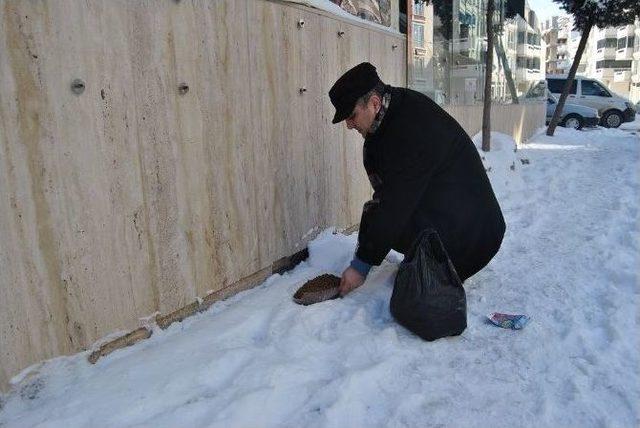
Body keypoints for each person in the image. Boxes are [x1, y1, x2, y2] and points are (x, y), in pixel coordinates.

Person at [328, 62, 506, 296]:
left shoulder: (413, 128)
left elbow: (395, 204)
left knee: (415, 290)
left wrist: (360, 267)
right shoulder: (390, 114)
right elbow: (385, 193)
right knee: (376, 216)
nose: (349, 125)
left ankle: (443, 264)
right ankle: (429, 255)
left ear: (374, 103)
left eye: (351, 116)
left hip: (474, 235)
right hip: (449, 208)